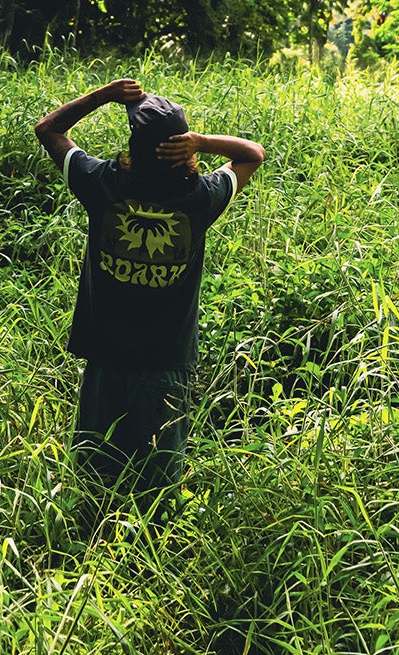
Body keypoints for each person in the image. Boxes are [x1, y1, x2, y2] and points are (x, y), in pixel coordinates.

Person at [33, 76, 266, 492]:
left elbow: (48, 130)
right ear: (183, 151)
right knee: (158, 486)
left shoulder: (103, 184)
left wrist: (101, 96)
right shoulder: (200, 197)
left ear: (133, 149)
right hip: (166, 359)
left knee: (94, 474)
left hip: (105, 353)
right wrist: (203, 141)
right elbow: (252, 154)